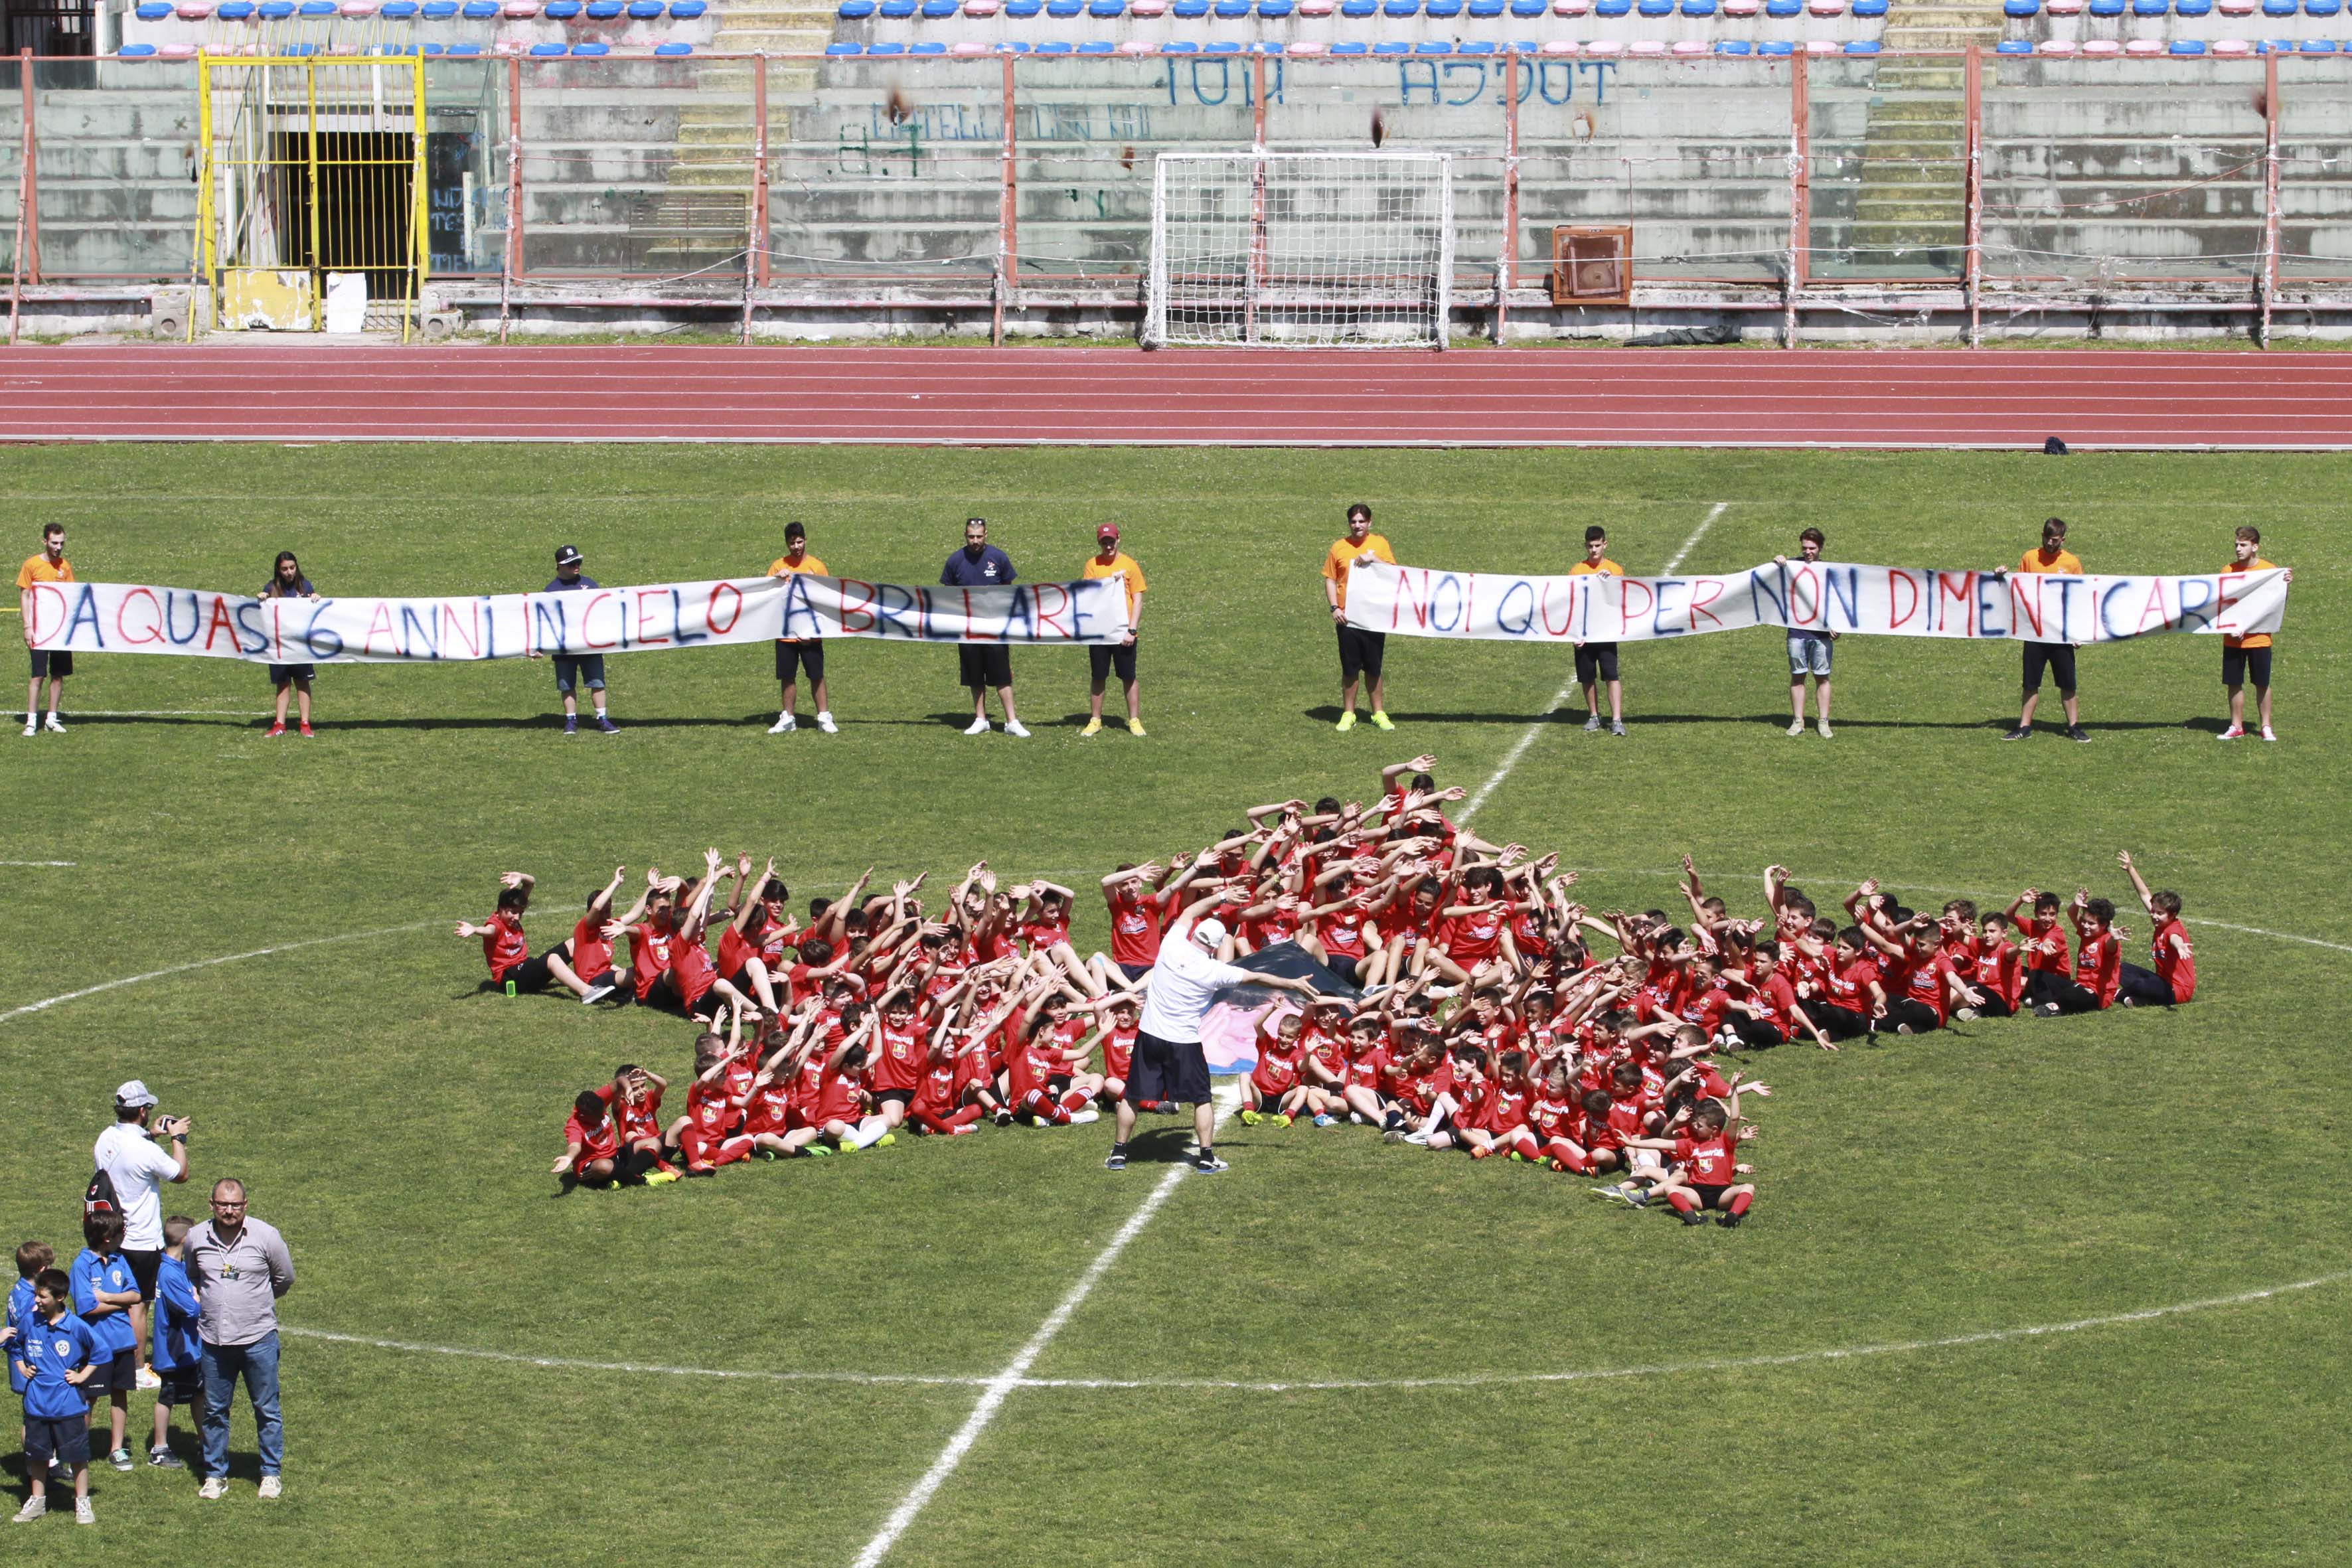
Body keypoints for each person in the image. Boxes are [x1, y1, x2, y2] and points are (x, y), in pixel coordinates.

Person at [1107, 911, 1322, 1175]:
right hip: (1185, 1042)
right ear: (1215, 946)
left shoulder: (1171, 944)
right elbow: (1257, 977)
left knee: (1133, 1095)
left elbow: (1187, 912)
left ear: (1195, 934)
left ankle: (1119, 1152)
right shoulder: (1215, 970)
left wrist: (1221, 898)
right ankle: (1207, 1157)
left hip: (1150, 1034)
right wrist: (1291, 983)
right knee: (1201, 1099)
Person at [186, 1177, 293, 1500]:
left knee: (267, 1408)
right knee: (215, 1410)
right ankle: (215, 1475)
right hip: (215, 1341)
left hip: (258, 1337)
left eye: (235, 1205)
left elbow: (284, 1278)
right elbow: (193, 1275)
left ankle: (270, 1473)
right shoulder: (196, 1237)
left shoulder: (266, 1236)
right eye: (222, 1205)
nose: (229, 1211)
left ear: (246, 1205)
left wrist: (255, 1303)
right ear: (212, 1205)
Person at [90, 1080, 190, 1390]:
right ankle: (135, 1369)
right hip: (142, 1240)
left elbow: (128, 1153)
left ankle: (113, 1355)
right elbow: (180, 1173)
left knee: (118, 1300)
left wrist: (153, 1134)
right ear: (143, 1111)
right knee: (139, 1306)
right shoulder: (145, 1150)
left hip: (111, 1234)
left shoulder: (106, 1137)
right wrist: (178, 1138)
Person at [11, 1266, 98, 1525]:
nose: (37, 1300)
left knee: (77, 1457)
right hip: (37, 1404)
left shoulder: (76, 1327)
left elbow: (100, 1353)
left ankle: (82, 1502)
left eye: (42, 1297)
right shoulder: (30, 1321)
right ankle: (37, 1501)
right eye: (36, 1295)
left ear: (59, 1298)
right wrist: (21, 1367)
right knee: (37, 1455)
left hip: (68, 1406)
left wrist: (82, 1376)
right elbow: (15, 1347)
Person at [2001, 517, 2088, 743]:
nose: (2050, 544)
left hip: (2061, 633)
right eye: (2047, 539)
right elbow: (2017, 587)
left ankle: (2074, 726)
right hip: (2034, 631)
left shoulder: (2071, 563)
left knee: (2068, 683)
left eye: (2055, 540)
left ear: (2063, 539)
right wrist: (2000, 577)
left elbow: (2080, 597)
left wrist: (2079, 632)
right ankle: (2024, 726)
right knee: (2030, 683)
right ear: (2042, 535)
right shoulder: (2030, 558)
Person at [941, 518, 1026, 737]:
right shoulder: (955, 561)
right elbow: (948, 595)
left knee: (1002, 676)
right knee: (975, 676)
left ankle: (1012, 721)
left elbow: (1008, 591)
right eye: (971, 537)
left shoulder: (998, 557)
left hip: (995, 628)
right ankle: (981, 719)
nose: (975, 541)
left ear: (986, 535)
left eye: (979, 536)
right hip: (968, 628)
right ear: (965, 535)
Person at [68, 1210, 138, 1474]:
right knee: (88, 1398)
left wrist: (106, 1296)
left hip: (122, 1341)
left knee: (120, 1394)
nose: (125, 1235)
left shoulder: (120, 1260)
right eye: (121, 1232)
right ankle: (77, 1448)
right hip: (96, 1345)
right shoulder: (82, 1265)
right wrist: (119, 1302)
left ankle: (116, 1447)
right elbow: (87, 1307)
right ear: (108, 1238)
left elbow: (136, 1295)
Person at [1323, 503, 1396, 733]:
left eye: (1361, 521)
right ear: (1349, 524)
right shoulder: (1339, 547)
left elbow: (1394, 572)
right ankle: (1349, 714)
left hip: (1374, 615)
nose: (1357, 526)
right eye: (1354, 522)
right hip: (1348, 618)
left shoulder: (1380, 544)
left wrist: (1373, 560)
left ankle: (1378, 713)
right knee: (1350, 668)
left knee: (1374, 667)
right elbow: (1330, 579)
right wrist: (1335, 607)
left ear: (1369, 523)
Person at [534, 545, 619, 736]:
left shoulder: (590, 585)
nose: (576, 566)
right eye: (571, 563)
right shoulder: (550, 591)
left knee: (597, 683)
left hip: (589, 645)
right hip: (564, 648)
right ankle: (571, 720)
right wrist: (539, 646)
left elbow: (602, 612)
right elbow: (545, 621)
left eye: (578, 562)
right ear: (559, 565)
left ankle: (602, 718)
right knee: (567, 685)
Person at [2219, 525, 2290, 742]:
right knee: (2234, 682)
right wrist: (2232, 627)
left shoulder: (2269, 570)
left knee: (2262, 683)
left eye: (2243, 545)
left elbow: (2274, 605)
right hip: (2233, 640)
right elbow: (2221, 605)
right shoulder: (2227, 571)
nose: (2238, 549)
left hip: (2259, 639)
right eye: (2237, 545)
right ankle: (2236, 725)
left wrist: (2285, 586)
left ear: (2255, 547)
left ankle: (2266, 726)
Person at [767, 522, 837, 735]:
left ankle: (824, 717)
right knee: (787, 676)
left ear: (806, 540)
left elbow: (827, 599)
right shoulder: (779, 566)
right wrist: (775, 581)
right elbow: (767, 596)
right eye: (792, 543)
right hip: (786, 632)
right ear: (786, 544)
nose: (796, 547)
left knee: (816, 675)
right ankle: (788, 717)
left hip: (810, 633)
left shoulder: (817, 566)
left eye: (799, 542)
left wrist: (815, 632)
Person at [1080, 523, 1147, 738]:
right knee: (1098, 676)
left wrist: (1132, 629)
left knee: (1128, 676)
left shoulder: (1129, 565)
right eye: (1104, 542)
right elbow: (1088, 595)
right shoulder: (1092, 565)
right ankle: (1095, 720)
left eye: (1111, 541)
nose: (1108, 546)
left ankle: (1134, 720)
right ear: (1099, 543)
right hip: (1100, 632)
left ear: (1118, 540)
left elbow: (1138, 599)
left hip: (1124, 632)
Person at [147, 1215, 200, 1468]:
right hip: (176, 1349)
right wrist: (202, 1299)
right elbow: (190, 1308)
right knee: (168, 1395)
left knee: (201, 1393)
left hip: (191, 1347)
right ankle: (159, 1449)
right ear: (185, 1239)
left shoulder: (178, 1266)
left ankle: (205, 1443)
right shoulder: (168, 1272)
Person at [2115, 849, 2195, 1008]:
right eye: (2153, 912)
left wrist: (2180, 946)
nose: (2154, 916)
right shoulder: (2160, 924)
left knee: (2141, 984)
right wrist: (2131, 869)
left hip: (2177, 991)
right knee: (2121, 969)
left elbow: (2175, 939)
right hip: (2162, 982)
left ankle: (2122, 995)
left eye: (2159, 914)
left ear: (2172, 915)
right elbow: (2144, 894)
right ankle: (2140, 999)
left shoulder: (2173, 930)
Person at [1775, 527, 1835, 738]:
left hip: (1821, 634)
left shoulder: (1828, 570)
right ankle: (1798, 721)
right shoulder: (1792, 566)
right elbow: (1773, 578)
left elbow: (1837, 599)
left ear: (1820, 548)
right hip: (1797, 632)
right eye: (1805, 548)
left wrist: (1837, 625)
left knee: (1822, 677)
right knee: (1797, 676)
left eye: (1812, 548)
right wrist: (1778, 562)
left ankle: (1823, 722)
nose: (1808, 552)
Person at [1569, 526, 1626, 736]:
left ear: (1605, 545)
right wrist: (1575, 634)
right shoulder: (1577, 571)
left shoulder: (1615, 569)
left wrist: (1610, 582)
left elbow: (1620, 600)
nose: (1594, 551)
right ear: (1586, 546)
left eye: (1597, 546)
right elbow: (1573, 603)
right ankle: (1594, 716)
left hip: (1606, 631)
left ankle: (1617, 719)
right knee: (1587, 677)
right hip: (1585, 633)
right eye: (1590, 546)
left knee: (1611, 675)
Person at [18, 522, 72, 738]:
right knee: (38, 674)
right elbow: (25, 595)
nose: (58, 547)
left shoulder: (65, 567)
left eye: (61, 543)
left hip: (60, 629)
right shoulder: (31, 565)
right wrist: (27, 626)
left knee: (58, 675)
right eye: (54, 543)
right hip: (39, 629)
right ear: (45, 541)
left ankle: (51, 718)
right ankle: (31, 721)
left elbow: (71, 596)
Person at [260, 551, 319, 738]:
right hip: (279, 646)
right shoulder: (271, 587)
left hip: (301, 646)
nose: (289, 572)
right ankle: (280, 724)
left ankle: (305, 723)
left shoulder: (305, 586)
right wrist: (262, 598)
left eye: (292, 568)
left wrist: (316, 599)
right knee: (283, 685)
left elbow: (315, 613)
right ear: (279, 569)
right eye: (285, 569)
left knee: (303, 683)